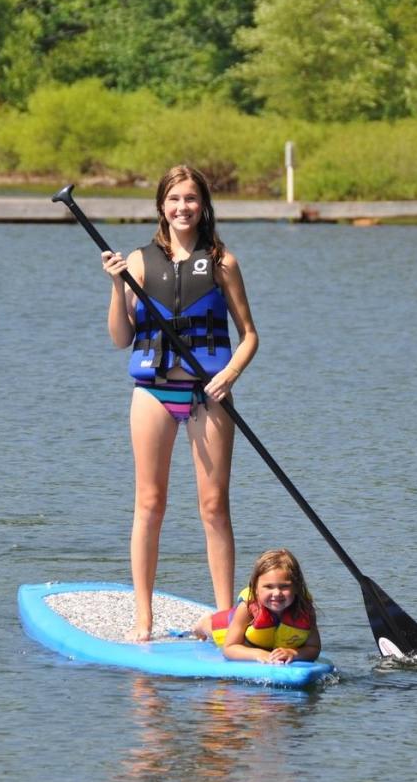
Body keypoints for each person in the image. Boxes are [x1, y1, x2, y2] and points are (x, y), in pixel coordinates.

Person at [102, 164, 259, 642]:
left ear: (203, 205)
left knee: (214, 507)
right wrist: (115, 285)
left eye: (191, 199)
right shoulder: (137, 262)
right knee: (149, 503)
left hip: (208, 395)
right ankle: (143, 620)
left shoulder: (222, 262)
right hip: (153, 393)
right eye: (174, 200)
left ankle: (224, 620)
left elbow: (249, 336)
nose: (182, 208)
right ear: (161, 207)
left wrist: (229, 375)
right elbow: (120, 338)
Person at [193, 548, 321, 664]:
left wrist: (294, 653)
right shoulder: (247, 608)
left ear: (297, 587)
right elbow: (229, 648)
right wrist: (259, 654)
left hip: (266, 641)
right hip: (232, 627)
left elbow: (314, 648)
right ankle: (203, 624)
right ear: (255, 589)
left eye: (284, 586)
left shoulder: (304, 610)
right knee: (217, 628)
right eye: (268, 587)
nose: (276, 593)